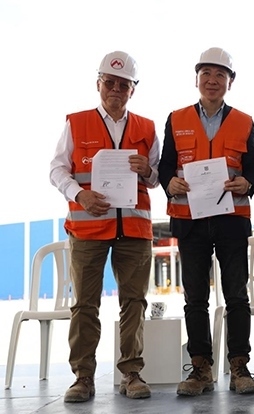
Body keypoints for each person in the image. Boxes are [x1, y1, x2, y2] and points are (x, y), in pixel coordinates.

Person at [50, 51, 160, 402]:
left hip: (134, 230)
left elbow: (158, 176)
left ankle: (132, 373)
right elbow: (56, 169)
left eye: (123, 85)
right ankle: (83, 377)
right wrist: (79, 195)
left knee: (134, 302)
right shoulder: (76, 123)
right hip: (87, 229)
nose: (115, 89)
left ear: (132, 90)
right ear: (98, 84)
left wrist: (148, 170)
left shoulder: (147, 127)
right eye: (109, 82)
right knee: (85, 304)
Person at [158, 47, 254, 396]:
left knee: (237, 296)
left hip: (231, 219)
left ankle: (239, 366)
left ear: (230, 82)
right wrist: (169, 182)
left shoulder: (244, 121)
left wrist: (249, 182)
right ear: (197, 79)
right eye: (206, 74)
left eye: (220, 75)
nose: (212, 81)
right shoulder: (176, 118)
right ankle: (200, 368)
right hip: (190, 220)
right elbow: (165, 165)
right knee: (195, 298)